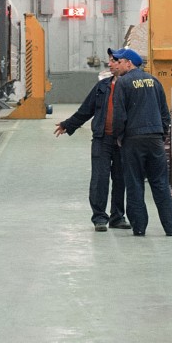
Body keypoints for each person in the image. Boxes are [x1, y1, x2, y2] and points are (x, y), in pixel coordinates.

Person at [107, 47, 172, 237]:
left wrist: (118, 137)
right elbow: (165, 113)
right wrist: (161, 134)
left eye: (120, 61)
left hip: (133, 139)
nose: (117, 64)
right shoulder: (154, 81)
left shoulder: (123, 83)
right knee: (160, 183)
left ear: (129, 63)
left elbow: (119, 115)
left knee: (135, 183)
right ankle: (171, 227)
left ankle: (139, 227)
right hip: (155, 139)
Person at [53, 63, 127, 230]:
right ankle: (99, 218)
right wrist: (68, 124)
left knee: (120, 179)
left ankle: (117, 217)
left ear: (125, 63)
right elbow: (86, 109)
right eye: (110, 60)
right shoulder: (102, 86)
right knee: (99, 179)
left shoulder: (130, 86)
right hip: (102, 138)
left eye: (115, 60)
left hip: (123, 140)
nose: (110, 64)